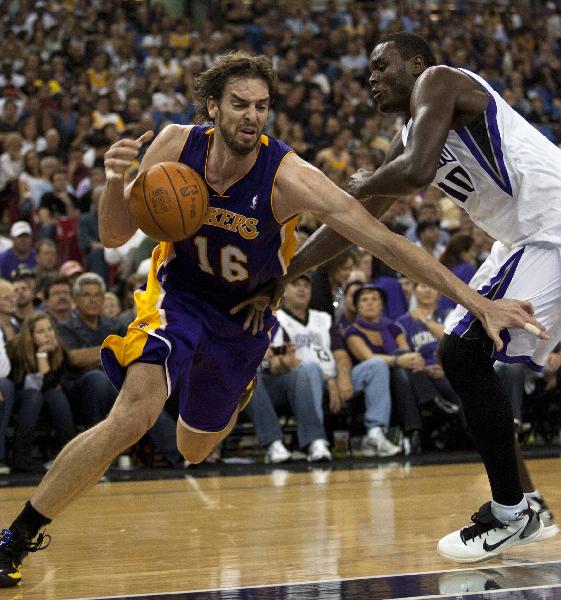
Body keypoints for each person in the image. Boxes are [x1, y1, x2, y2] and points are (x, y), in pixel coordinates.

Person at [0, 51, 544, 588]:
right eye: (239, 104)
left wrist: (477, 302)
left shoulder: (287, 175)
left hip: (244, 316)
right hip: (179, 296)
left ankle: (234, 389)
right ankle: (20, 535)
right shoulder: (173, 145)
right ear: (212, 106)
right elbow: (116, 235)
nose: (251, 116)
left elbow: (384, 240)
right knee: (134, 414)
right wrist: (115, 183)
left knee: (194, 450)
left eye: (261, 106)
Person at [240, 33, 556, 563]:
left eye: (382, 67)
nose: (372, 78)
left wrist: (356, 188)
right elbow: (355, 226)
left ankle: (514, 511)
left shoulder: (442, 80)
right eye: (369, 71)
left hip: (551, 225)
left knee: (462, 351)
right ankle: (527, 507)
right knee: (462, 351)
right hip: (524, 238)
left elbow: (414, 173)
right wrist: (286, 269)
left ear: (416, 63)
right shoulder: (406, 135)